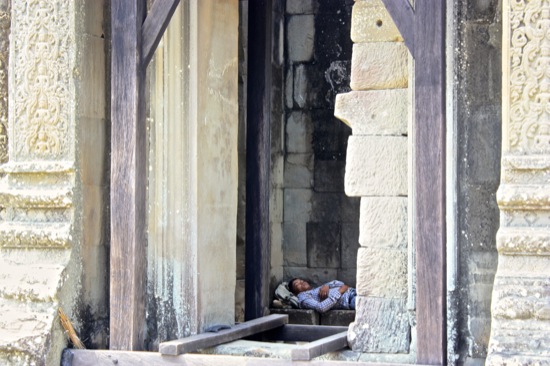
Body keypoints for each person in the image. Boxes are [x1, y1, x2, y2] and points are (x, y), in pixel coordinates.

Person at [288, 278, 356, 313]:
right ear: (294, 292)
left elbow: (341, 284)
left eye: (301, 280)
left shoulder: (316, 289)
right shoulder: (302, 297)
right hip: (350, 300)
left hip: (353, 291)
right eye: (297, 284)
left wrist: (327, 285)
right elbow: (321, 307)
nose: (302, 282)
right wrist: (340, 291)